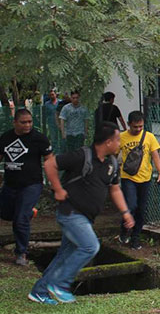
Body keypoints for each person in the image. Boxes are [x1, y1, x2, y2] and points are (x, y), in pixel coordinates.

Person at [29, 121, 134, 305]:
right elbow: (50, 164)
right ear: (108, 142)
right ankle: (60, 284)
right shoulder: (81, 156)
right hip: (70, 213)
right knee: (90, 246)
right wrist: (58, 189)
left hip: (85, 218)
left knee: (64, 255)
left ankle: (39, 291)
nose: (120, 143)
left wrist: (125, 213)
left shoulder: (112, 163)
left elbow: (115, 189)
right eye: (118, 140)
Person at [0, 109, 53, 266]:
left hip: (31, 185)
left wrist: (53, 183)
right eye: (24, 122)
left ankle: (21, 252)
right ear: (15, 122)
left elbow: (50, 161)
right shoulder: (6, 137)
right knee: (6, 214)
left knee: (20, 219)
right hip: (10, 185)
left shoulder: (39, 139)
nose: (28, 125)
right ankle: (28, 211)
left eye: (30, 121)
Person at [118, 111, 160, 249]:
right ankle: (124, 230)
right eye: (135, 127)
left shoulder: (149, 137)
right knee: (131, 205)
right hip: (128, 177)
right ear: (129, 124)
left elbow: (155, 155)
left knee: (142, 209)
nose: (138, 129)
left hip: (145, 177)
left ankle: (136, 238)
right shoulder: (121, 137)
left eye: (141, 127)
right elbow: (113, 154)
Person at [43, 89, 62, 154]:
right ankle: (55, 152)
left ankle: (62, 152)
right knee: (54, 138)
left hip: (60, 123)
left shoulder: (60, 102)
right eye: (50, 95)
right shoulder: (47, 104)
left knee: (62, 138)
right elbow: (45, 114)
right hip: (51, 123)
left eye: (53, 94)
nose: (52, 96)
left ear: (56, 94)